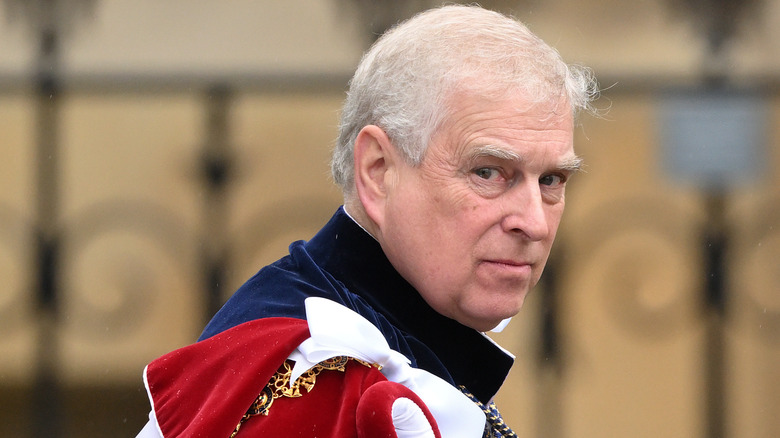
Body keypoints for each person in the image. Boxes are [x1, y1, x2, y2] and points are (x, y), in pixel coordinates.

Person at [136, 4, 597, 438]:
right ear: (378, 171)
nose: (534, 223)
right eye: (488, 172)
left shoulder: (396, 341)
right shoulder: (317, 378)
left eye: (552, 179)